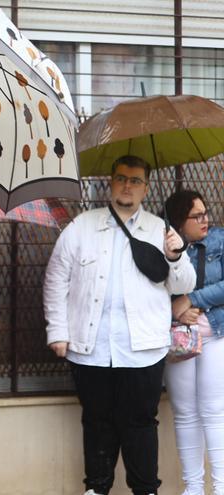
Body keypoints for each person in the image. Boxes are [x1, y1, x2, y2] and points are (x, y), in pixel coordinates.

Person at [44, 155, 195, 495]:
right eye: (122, 178)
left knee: (141, 424)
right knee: (96, 423)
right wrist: (58, 330)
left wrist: (175, 254)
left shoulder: (160, 229)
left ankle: (146, 490)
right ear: (110, 182)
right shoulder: (82, 226)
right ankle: (96, 488)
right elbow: (56, 279)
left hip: (142, 349)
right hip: (90, 348)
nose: (128, 185)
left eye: (136, 180)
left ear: (146, 187)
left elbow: (185, 283)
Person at [163, 190, 224, 495]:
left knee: (214, 410)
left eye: (205, 213)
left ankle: (222, 487)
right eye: (196, 216)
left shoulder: (220, 240)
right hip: (179, 338)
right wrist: (174, 310)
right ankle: (193, 488)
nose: (205, 220)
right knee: (185, 412)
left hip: (215, 334)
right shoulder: (164, 246)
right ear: (178, 221)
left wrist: (190, 300)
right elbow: (152, 288)